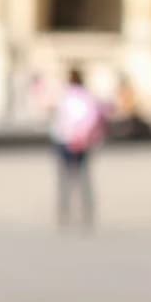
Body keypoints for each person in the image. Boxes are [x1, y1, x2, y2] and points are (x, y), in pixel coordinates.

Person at [50, 67, 104, 231]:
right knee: (83, 177)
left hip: (65, 140)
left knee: (65, 178)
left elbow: (60, 119)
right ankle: (86, 211)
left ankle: (64, 211)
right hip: (82, 141)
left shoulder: (65, 96)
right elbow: (92, 118)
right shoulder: (87, 97)